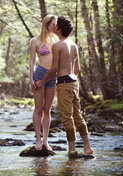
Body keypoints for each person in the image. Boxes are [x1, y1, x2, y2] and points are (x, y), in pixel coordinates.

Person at [35, 16, 94, 155]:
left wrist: (42, 82)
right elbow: (77, 69)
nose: (54, 28)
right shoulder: (74, 45)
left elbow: (54, 68)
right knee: (77, 115)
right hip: (74, 82)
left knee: (67, 117)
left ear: (60, 30)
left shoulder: (57, 46)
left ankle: (72, 149)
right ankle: (87, 147)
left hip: (64, 83)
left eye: (56, 27)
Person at [29, 14, 58, 151]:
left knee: (47, 109)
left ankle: (46, 141)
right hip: (39, 75)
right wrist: (31, 78)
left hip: (53, 76)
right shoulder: (35, 41)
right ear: (47, 24)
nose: (55, 26)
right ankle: (38, 140)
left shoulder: (57, 39)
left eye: (56, 24)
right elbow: (32, 61)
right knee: (38, 109)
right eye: (53, 24)